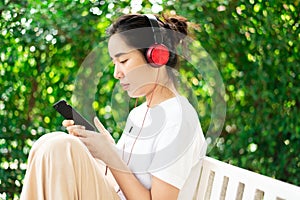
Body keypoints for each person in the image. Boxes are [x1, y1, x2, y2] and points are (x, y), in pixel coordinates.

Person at [20, 13, 207, 200]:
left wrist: (110, 155)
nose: (117, 73)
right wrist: (104, 147)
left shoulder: (179, 120)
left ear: (156, 57)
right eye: (114, 63)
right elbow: (123, 178)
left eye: (124, 61)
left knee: (60, 146)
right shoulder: (139, 114)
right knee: (47, 145)